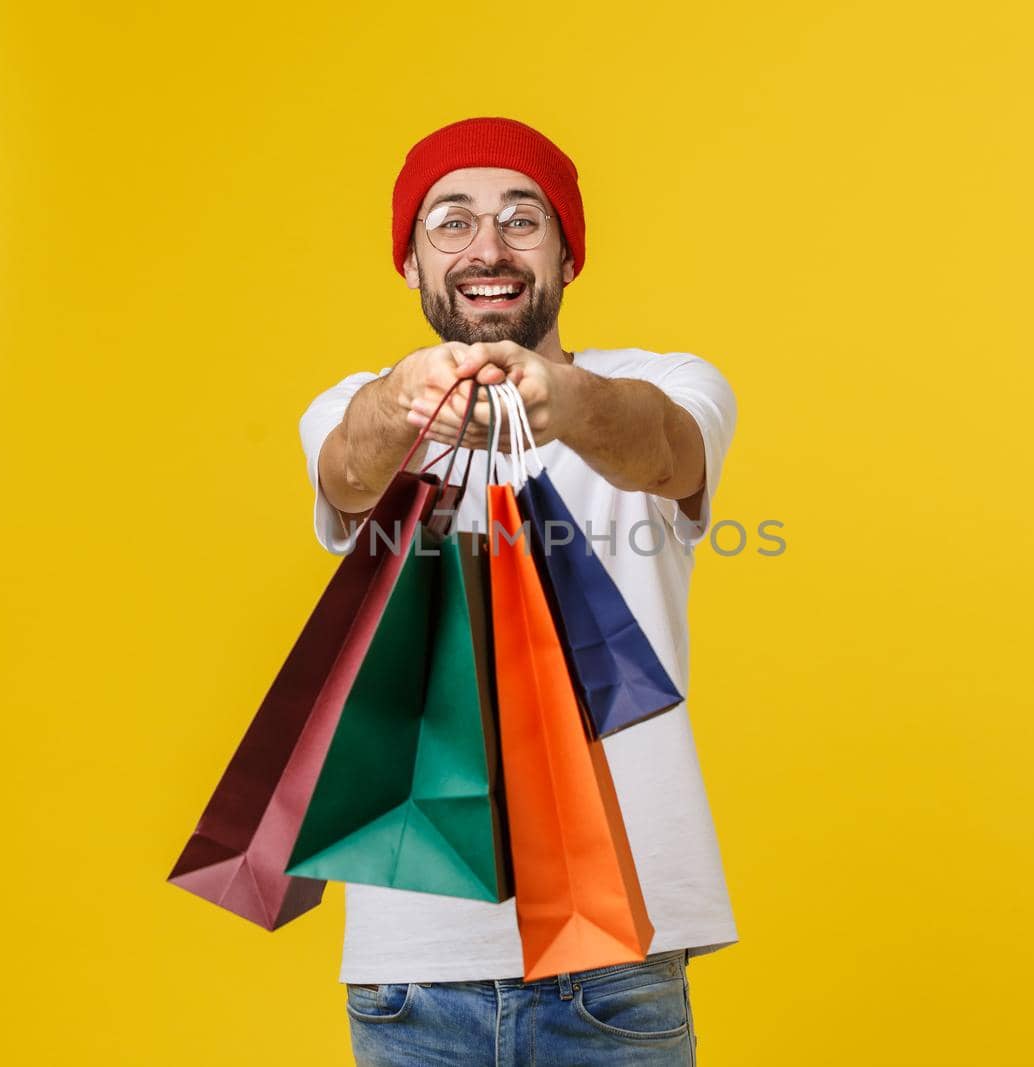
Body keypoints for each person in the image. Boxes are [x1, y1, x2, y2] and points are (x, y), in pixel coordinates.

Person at [298, 116, 738, 1067]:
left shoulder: (664, 383)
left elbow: (664, 449)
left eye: (521, 221)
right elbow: (348, 470)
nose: (486, 248)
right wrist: (407, 400)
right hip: (412, 965)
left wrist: (555, 397)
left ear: (568, 256)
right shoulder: (356, 402)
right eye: (450, 222)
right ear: (410, 266)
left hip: (624, 954)